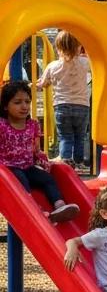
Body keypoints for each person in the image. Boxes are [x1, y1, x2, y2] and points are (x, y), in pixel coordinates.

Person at [0, 80, 79, 222]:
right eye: (17, 102)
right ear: (6, 106)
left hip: (27, 166)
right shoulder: (2, 125)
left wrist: (43, 160)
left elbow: (36, 149)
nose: (24, 106)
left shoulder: (33, 124)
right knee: (20, 179)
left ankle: (59, 205)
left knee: (47, 179)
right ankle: (33, 209)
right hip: (8, 169)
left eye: (27, 101)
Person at [38, 30, 91, 172]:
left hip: (62, 106)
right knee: (80, 136)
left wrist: (34, 85)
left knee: (65, 136)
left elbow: (42, 83)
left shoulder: (53, 66)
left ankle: (66, 164)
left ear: (58, 47)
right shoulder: (85, 63)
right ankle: (79, 163)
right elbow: (96, 68)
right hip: (82, 106)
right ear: (79, 46)